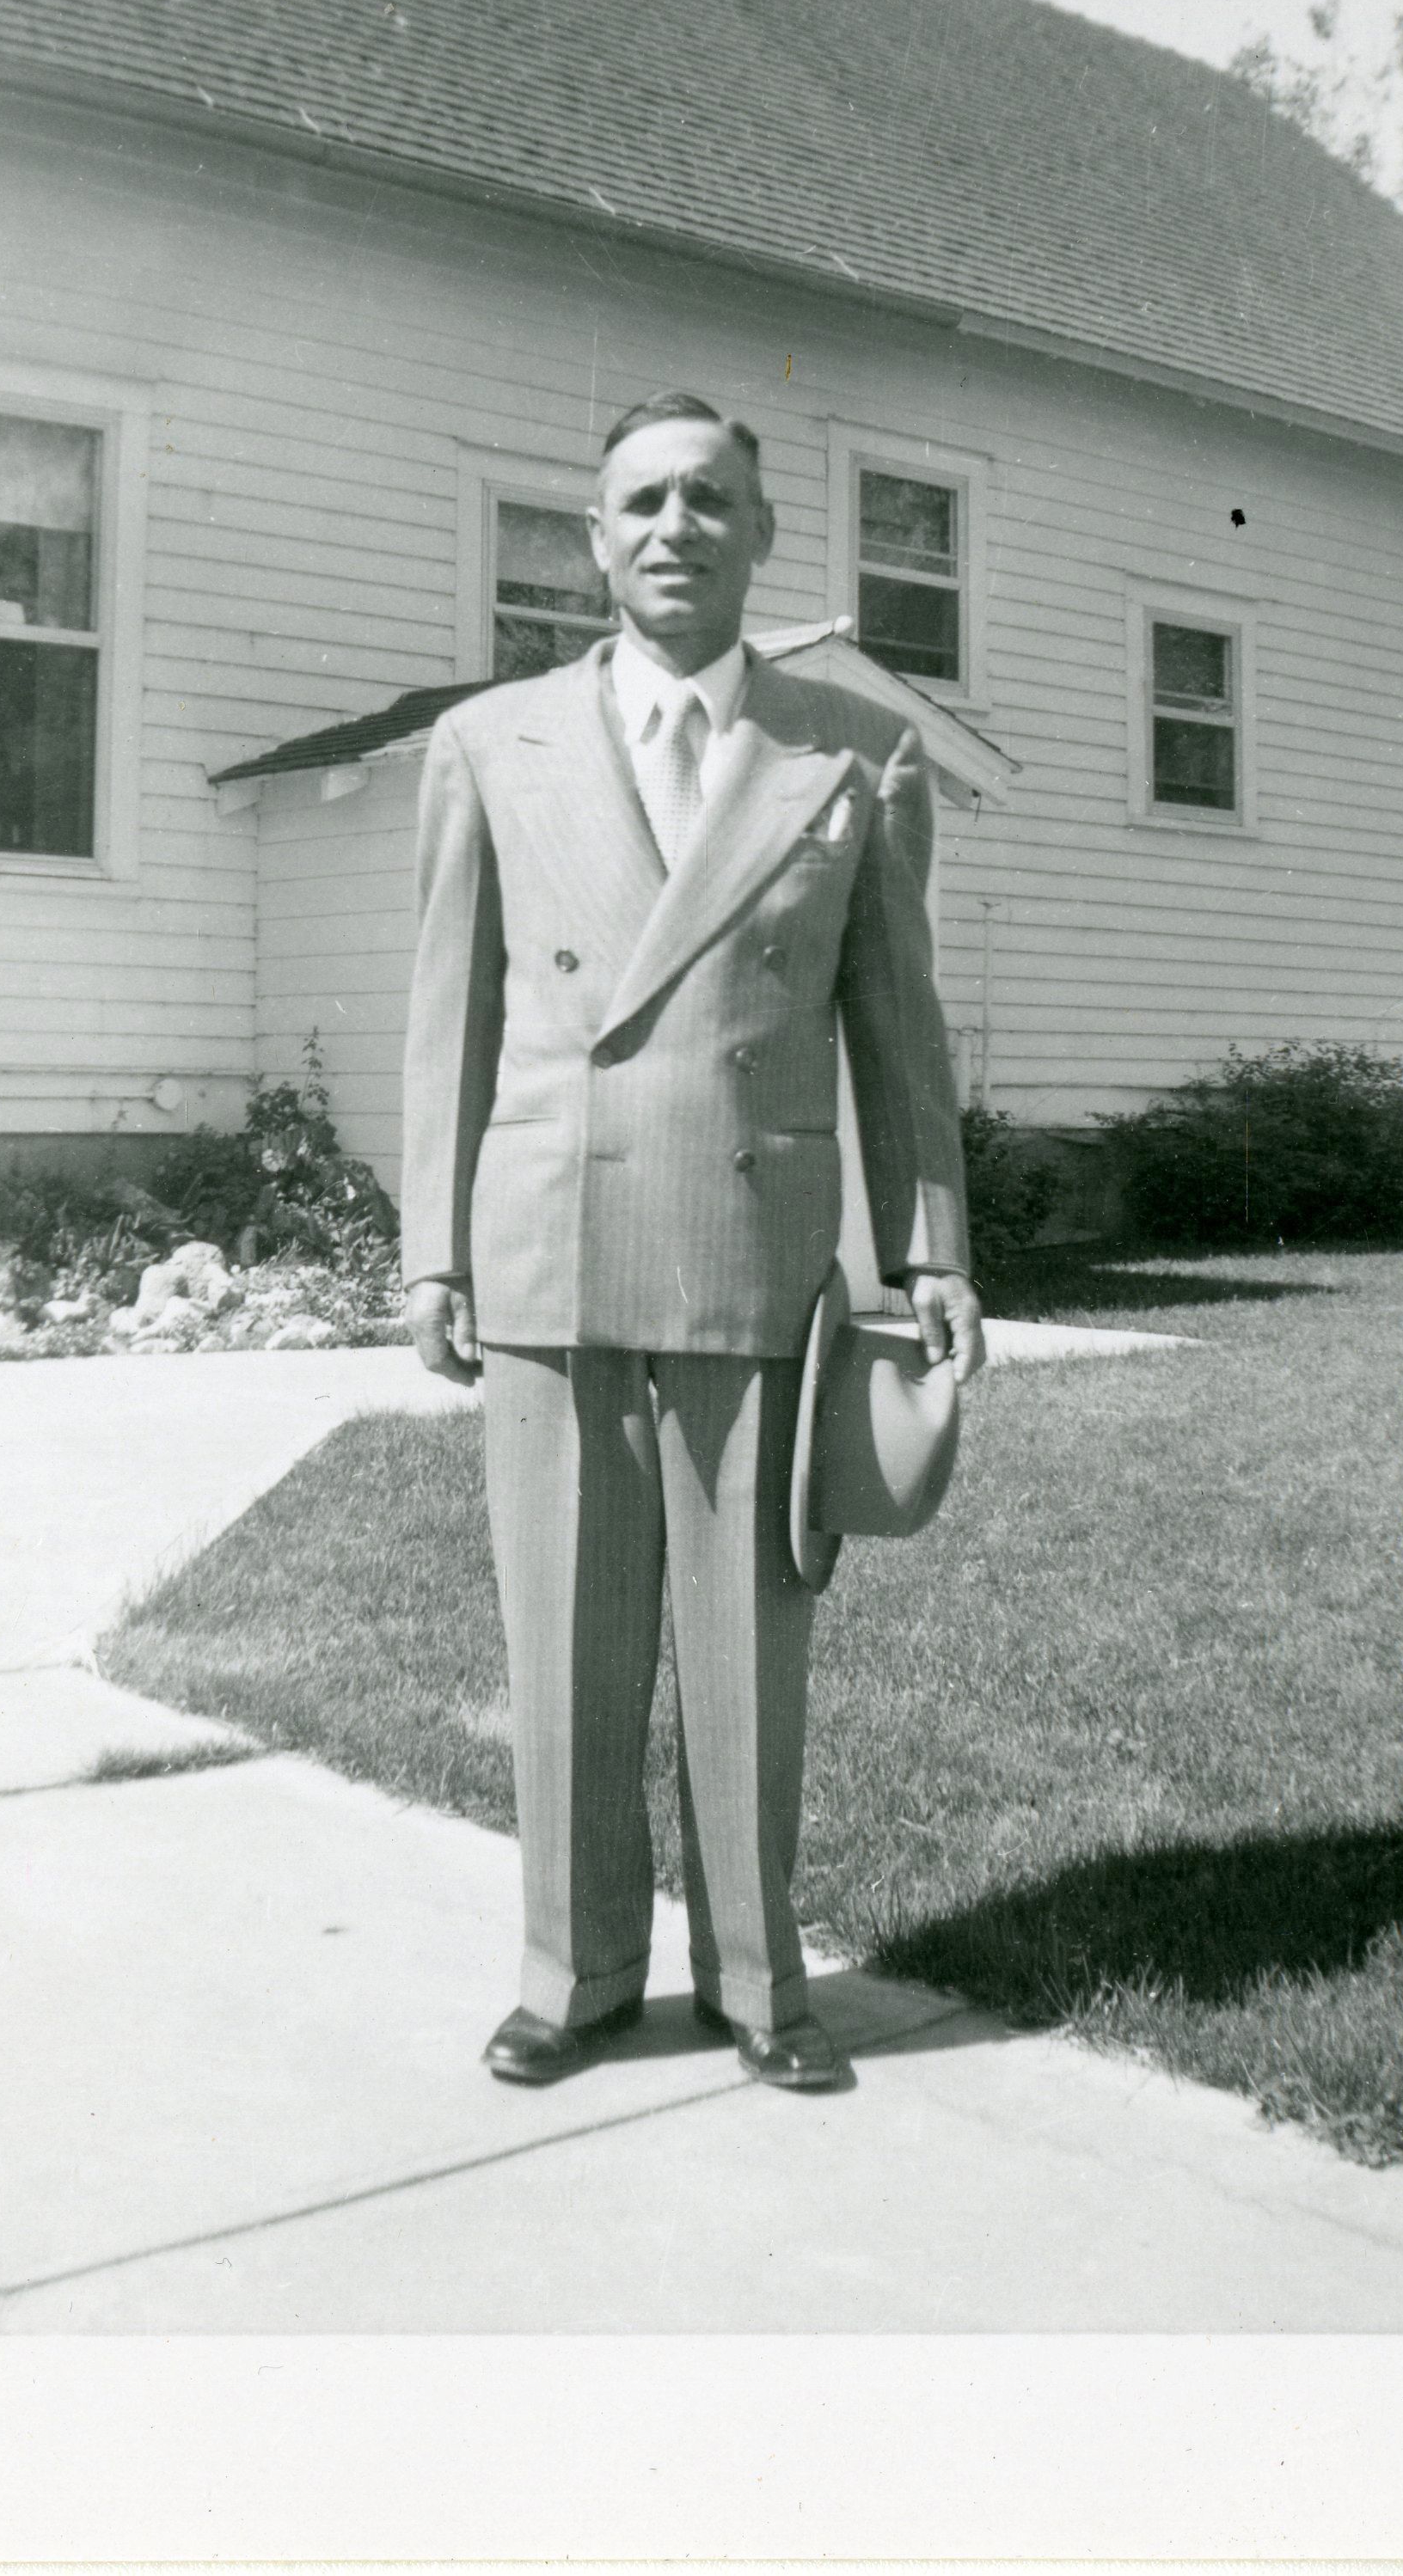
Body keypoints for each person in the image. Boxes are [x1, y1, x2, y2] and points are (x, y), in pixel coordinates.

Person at [401, 389, 985, 2093]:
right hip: (551, 1247)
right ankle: (571, 1976)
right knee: (567, 1648)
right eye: (642, 500)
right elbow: (447, 1014)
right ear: (594, 541)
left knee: (745, 1653)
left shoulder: (851, 751)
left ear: (761, 535)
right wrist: (433, 1250)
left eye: (710, 499)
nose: (675, 526)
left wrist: (932, 1246)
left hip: (753, 1247)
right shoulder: (488, 743)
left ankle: (757, 1984)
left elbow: (898, 1028)